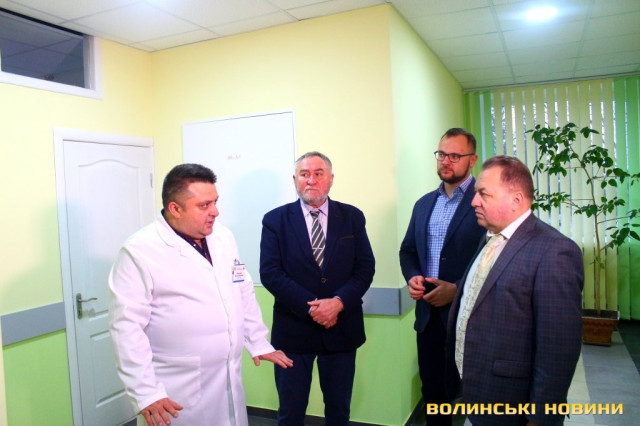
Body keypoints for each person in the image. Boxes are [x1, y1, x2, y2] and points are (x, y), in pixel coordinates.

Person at [109, 163, 293, 426]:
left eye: (215, 202)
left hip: (227, 376)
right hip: (177, 386)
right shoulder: (139, 252)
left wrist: (257, 340)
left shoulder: (223, 237)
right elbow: (126, 328)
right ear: (175, 208)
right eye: (204, 205)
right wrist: (145, 392)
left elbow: (241, 288)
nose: (215, 211)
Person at [445, 155, 584, 425]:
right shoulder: (490, 239)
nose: (474, 202)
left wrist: (541, 418)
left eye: (484, 194)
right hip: (478, 391)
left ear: (516, 200)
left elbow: (558, 349)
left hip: (512, 401)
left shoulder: (555, 251)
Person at [259, 151, 375, 426]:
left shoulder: (352, 217)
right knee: (290, 411)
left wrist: (338, 302)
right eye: (304, 174)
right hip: (293, 332)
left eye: (318, 173)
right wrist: (312, 308)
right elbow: (271, 273)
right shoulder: (275, 220)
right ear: (295, 180)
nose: (311, 180)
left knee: (339, 410)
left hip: (341, 329)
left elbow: (365, 268)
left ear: (331, 179)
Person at [399, 128, 486, 426]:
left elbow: (493, 260)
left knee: (475, 395)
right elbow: (408, 251)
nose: (446, 161)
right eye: (441, 154)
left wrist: (458, 289)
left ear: (472, 160)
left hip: (471, 318)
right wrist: (413, 277)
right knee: (434, 392)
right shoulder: (424, 204)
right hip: (428, 318)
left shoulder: (483, 201)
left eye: (455, 156)